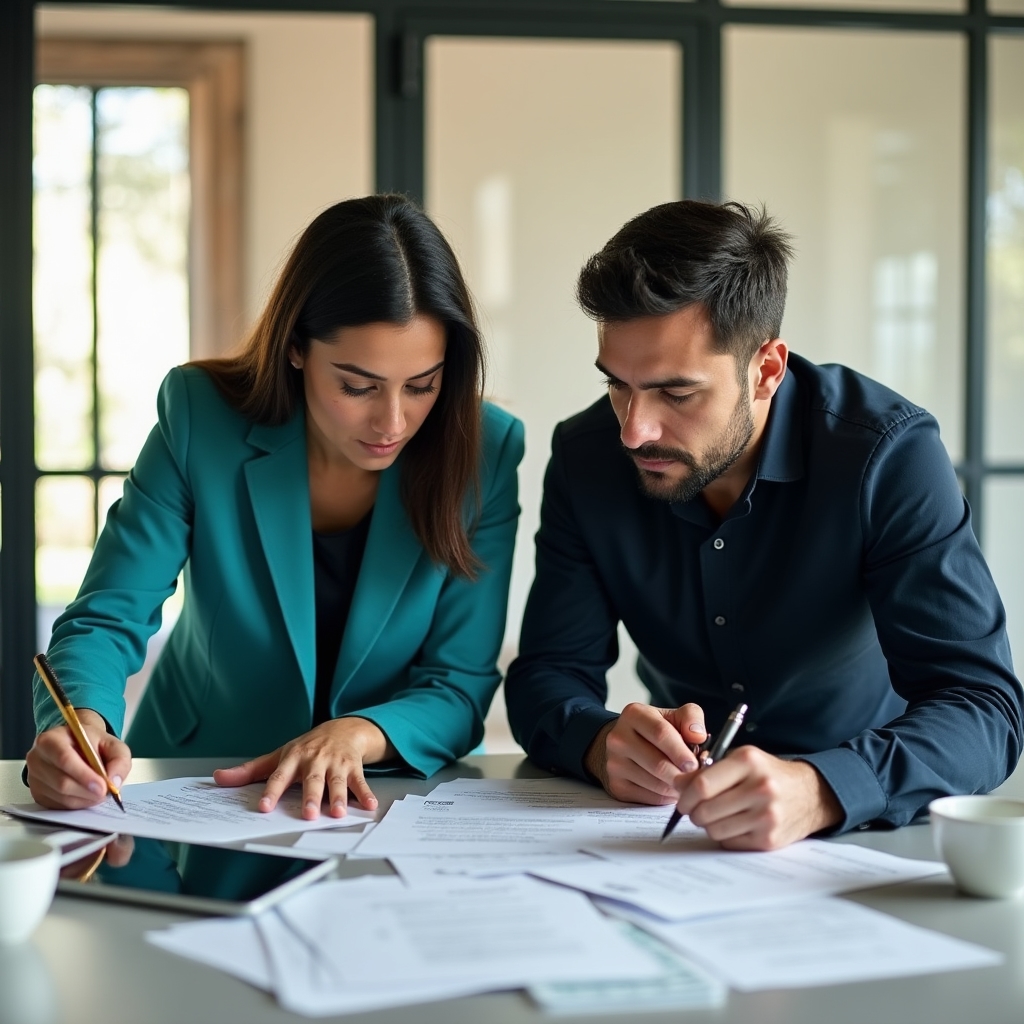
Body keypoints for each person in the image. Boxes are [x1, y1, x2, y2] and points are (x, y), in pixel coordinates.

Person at [505, 199, 1022, 851]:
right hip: (668, 837)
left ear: (767, 369)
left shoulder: (885, 454)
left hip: (867, 831)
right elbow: (546, 675)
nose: (633, 430)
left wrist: (823, 788)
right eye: (618, 385)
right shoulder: (586, 455)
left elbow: (984, 711)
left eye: (676, 392)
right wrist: (600, 741)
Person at [28, 194, 524, 821]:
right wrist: (79, 723)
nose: (393, 421)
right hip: (200, 777)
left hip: (385, 795)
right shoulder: (199, 416)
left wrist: (353, 734)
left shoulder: (486, 450)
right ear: (296, 347)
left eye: (422, 385)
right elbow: (108, 616)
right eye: (357, 385)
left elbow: (459, 681)